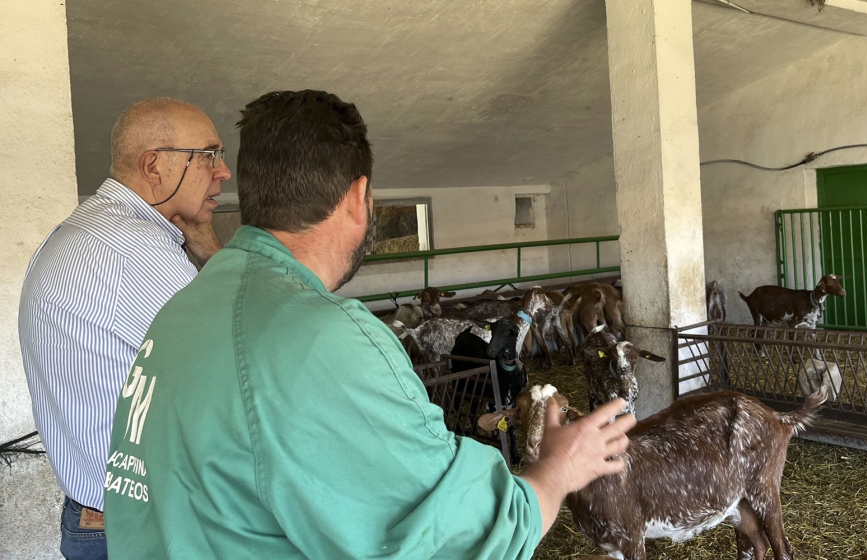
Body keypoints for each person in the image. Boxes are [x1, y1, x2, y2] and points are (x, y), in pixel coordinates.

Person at [102, 89, 636, 559]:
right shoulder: (324, 337)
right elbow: (464, 539)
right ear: (358, 197)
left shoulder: (186, 306)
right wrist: (560, 468)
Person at [19, 97, 231, 560]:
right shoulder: (134, 250)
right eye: (210, 154)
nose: (224, 171)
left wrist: (194, 237)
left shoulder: (87, 230)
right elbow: (245, 356)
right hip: (141, 527)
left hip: (95, 516)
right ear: (154, 166)